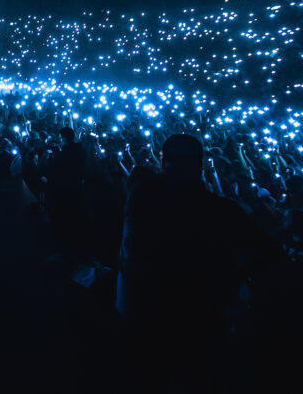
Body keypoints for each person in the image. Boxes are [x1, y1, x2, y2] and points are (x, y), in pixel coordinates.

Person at [116, 133, 281, 392]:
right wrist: (231, 278)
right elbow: (270, 252)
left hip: (146, 312)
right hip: (201, 316)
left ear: (163, 160)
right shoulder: (222, 210)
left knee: (147, 379)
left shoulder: (143, 196)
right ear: (199, 163)